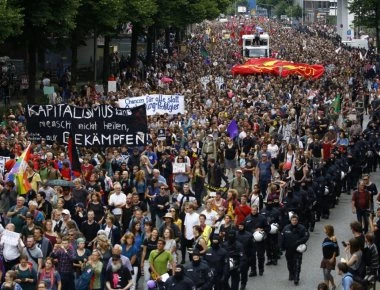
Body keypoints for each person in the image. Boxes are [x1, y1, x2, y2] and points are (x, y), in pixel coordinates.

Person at [282, 214, 309, 285]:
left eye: (295, 220)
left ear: (297, 221)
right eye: (293, 220)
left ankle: (296, 277)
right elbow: (282, 238)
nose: (294, 221)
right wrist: (281, 247)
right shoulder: (286, 228)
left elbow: (306, 236)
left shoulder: (302, 228)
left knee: (297, 264)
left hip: (298, 249)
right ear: (290, 220)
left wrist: (299, 242)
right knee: (290, 263)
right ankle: (291, 273)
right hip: (288, 249)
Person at [244, 205, 270, 277]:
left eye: (255, 210)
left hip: (261, 241)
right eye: (252, 210)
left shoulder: (262, 218)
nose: (254, 211)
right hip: (251, 241)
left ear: (257, 210)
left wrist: (262, 230)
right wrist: (253, 230)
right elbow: (245, 229)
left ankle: (261, 269)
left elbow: (268, 228)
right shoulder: (247, 218)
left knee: (260, 256)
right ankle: (253, 270)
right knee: (252, 257)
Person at [321, 225, 339, 290]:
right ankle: (327, 287)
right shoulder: (326, 238)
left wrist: (333, 258)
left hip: (331, 258)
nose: (324, 230)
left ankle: (333, 285)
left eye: (325, 229)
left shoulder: (333, 238)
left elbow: (336, 249)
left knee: (327, 273)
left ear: (328, 230)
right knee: (325, 274)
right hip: (325, 258)